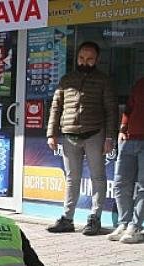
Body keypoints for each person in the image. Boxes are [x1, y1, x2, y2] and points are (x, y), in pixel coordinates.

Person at [46, 42, 117, 235]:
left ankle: (95, 218)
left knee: (98, 177)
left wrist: (110, 137)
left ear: (97, 59)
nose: (85, 62)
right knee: (72, 178)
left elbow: (111, 111)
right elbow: (56, 107)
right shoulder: (66, 79)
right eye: (81, 58)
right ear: (76, 57)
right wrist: (51, 133)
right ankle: (67, 219)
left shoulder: (104, 81)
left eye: (90, 59)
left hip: (95, 132)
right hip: (69, 134)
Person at [109, 76, 144, 243]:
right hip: (128, 139)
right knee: (120, 183)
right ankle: (124, 224)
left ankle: (135, 227)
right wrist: (122, 128)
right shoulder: (140, 83)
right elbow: (129, 108)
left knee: (143, 187)